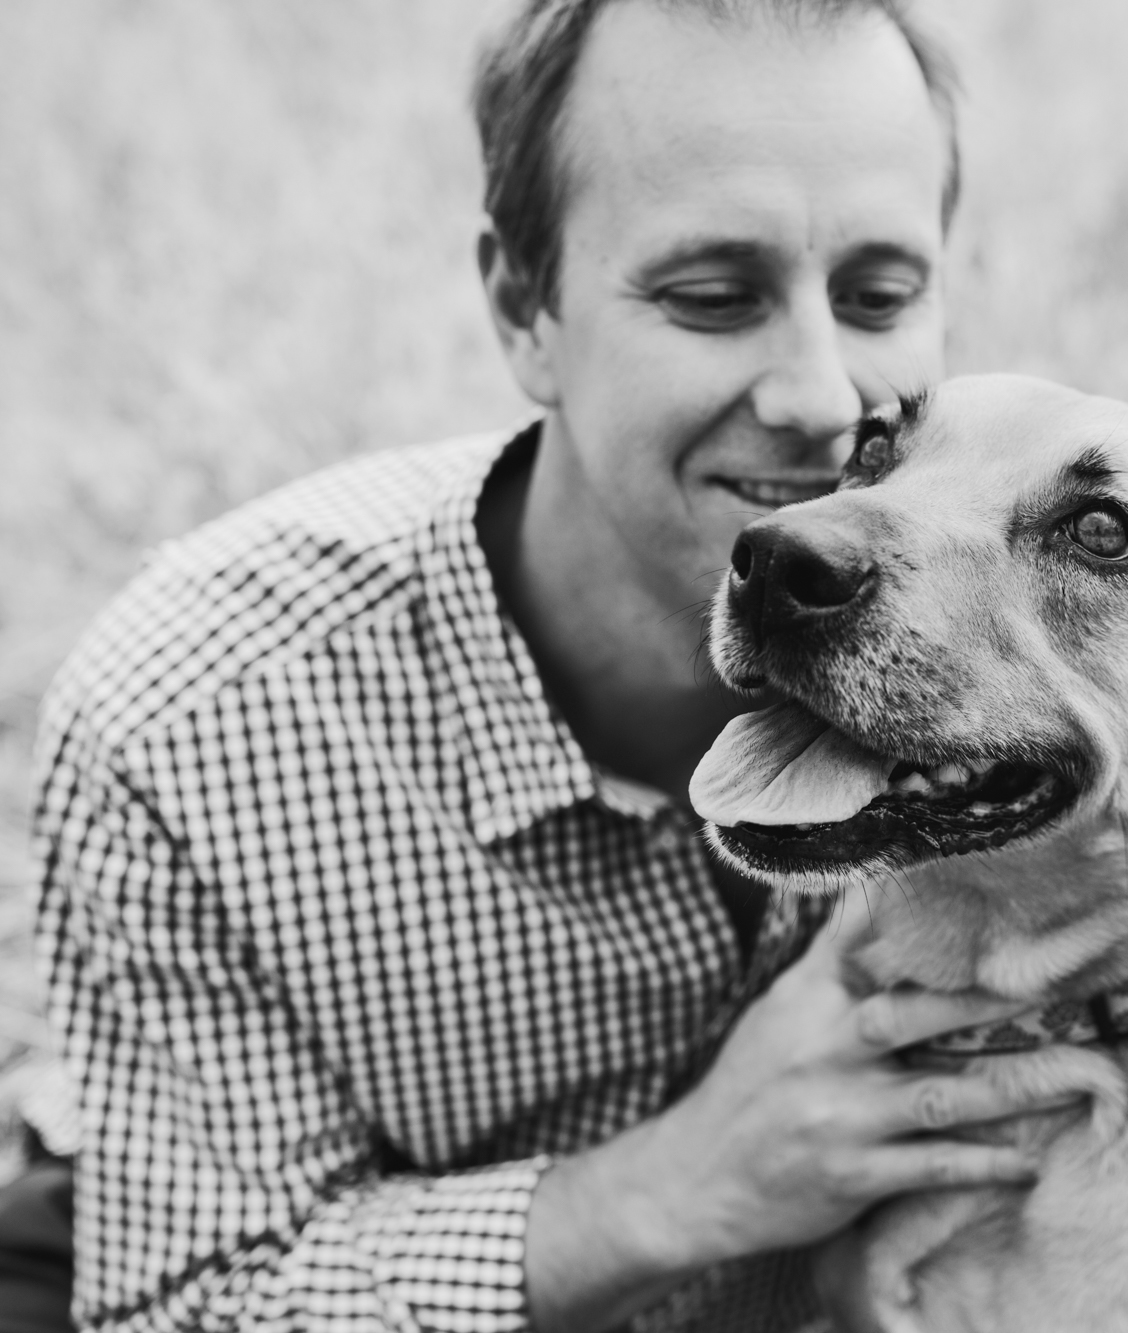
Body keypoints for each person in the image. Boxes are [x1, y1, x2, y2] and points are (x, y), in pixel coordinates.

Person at [22, 2, 1072, 1330]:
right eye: (711, 298)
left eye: (877, 297)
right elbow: (186, 1299)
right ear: (526, 307)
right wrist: (676, 1188)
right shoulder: (194, 714)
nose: (820, 394)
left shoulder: (1031, 669)